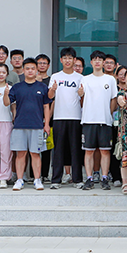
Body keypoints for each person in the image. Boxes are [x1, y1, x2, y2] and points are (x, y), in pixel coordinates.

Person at [7, 57, 51, 190]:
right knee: (20, 154)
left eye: (32, 68)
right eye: (27, 68)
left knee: (35, 154)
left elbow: (46, 106)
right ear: (23, 70)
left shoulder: (42, 87)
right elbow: (7, 102)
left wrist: (47, 124)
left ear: (36, 70)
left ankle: (37, 180)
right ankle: (19, 180)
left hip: (37, 125)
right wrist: (5, 94)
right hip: (20, 125)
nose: (30, 71)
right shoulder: (17, 87)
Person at [78, 51, 120, 191]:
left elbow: (114, 99)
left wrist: (108, 114)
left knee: (105, 151)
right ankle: (89, 178)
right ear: (91, 62)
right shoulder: (85, 79)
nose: (97, 62)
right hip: (88, 120)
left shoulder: (110, 80)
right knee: (89, 151)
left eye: (100, 60)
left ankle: (104, 177)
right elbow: (82, 101)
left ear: (103, 62)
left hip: (105, 121)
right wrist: (80, 95)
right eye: (94, 60)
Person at [47, 49, 84, 188]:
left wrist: (81, 94)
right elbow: (50, 96)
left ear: (74, 60)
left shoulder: (80, 78)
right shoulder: (55, 76)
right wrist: (53, 89)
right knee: (58, 150)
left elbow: (83, 100)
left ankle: (77, 179)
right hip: (59, 117)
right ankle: (56, 180)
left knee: (76, 149)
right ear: (61, 60)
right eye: (65, 58)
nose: (67, 60)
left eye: (70, 58)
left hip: (76, 117)